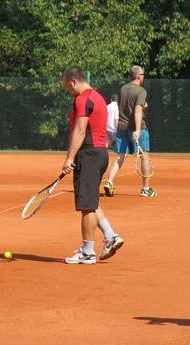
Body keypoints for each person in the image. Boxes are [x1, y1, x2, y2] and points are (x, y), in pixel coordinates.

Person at [60, 67, 124, 264]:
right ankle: (110, 235)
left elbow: (80, 130)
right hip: (99, 153)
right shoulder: (97, 97)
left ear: (72, 82)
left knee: (86, 206)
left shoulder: (82, 99)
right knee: (90, 201)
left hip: (88, 154)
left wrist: (69, 158)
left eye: (66, 86)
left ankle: (88, 251)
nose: (67, 90)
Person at [103, 65, 157, 197]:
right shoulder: (141, 91)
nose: (143, 77)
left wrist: (142, 106)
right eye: (143, 74)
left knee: (121, 156)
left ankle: (109, 181)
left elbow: (125, 106)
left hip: (122, 128)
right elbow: (137, 110)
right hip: (137, 128)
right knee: (144, 156)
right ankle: (145, 188)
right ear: (138, 76)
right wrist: (138, 130)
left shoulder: (123, 89)